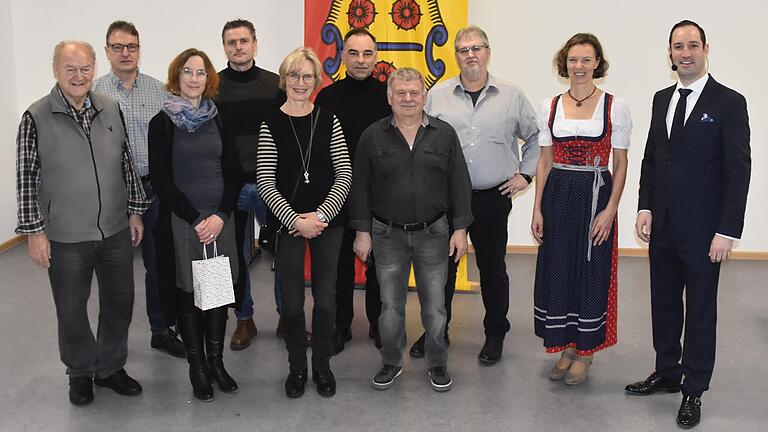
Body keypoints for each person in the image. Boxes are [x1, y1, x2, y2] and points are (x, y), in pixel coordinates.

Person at [625, 20, 750, 428]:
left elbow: (738, 170)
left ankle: (693, 389)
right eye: (678, 46)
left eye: (692, 45)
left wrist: (727, 231)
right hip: (663, 226)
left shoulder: (729, 102)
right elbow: (651, 158)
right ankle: (667, 371)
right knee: (663, 304)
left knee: (699, 312)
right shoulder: (662, 99)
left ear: (705, 49)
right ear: (670, 54)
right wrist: (644, 207)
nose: (685, 53)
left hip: (704, 233)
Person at [15, 40, 148, 406]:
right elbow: (26, 177)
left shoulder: (110, 108)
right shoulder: (36, 116)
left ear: (94, 68)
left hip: (115, 230)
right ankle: (79, 372)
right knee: (71, 308)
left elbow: (126, 164)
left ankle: (109, 368)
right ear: (55, 70)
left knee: (120, 301)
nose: (79, 76)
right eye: (70, 68)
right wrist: (34, 233)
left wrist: (134, 210)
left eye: (85, 68)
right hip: (65, 235)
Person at [422, 25, 539, 364]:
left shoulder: (511, 96)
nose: (470, 54)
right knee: (440, 270)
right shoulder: (437, 96)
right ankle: (436, 331)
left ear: (488, 52)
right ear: (455, 55)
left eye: (477, 47)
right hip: (446, 201)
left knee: (492, 269)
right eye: (463, 49)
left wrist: (525, 174)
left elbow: (535, 138)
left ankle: (495, 334)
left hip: (491, 197)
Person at [351, 67, 473, 392]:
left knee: (435, 307)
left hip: (434, 233)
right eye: (400, 93)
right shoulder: (372, 136)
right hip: (386, 235)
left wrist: (460, 229)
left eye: (414, 93)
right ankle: (391, 361)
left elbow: (459, 183)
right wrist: (362, 232)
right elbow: (359, 186)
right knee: (390, 308)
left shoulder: (444, 134)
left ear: (423, 96)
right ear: (389, 97)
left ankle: (437, 363)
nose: (408, 98)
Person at [530, 33, 630, 385]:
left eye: (587, 60)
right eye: (574, 59)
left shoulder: (614, 106)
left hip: (594, 197)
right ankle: (567, 347)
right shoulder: (549, 105)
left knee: (591, 271)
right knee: (559, 270)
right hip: (558, 194)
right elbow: (544, 162)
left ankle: (585, 351)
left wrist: (611, 210)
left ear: (597, 64)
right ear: (565, 63)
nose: (579, 66)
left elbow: (620, 164)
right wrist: (537, 209)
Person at [256, 47, 352, 398]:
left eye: (307, 76)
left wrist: (322, 215)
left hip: (329, 222)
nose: (300, 82)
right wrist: (295, 219)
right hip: (289, 223)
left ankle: (322, 366)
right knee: (293, 303)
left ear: (316, 81)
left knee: (327, 300)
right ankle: (297, 367)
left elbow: (344, 173)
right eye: (294, 76)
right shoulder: (271, 122)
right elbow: (265, 180)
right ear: (284, 80)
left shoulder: (329, 119)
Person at [148, 48, 242, 402]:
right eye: (187, 71)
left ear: (209, 79)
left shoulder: (219, 117)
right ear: (177, 76)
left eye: (200, 72)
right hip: (183, 221)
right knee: (189, 295)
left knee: (216, 292)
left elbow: (234, 170)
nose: (193, 78)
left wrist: (220, 215)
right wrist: (196, 218)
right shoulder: (162, 123)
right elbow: (161, 179)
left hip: (219, 219)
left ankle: (216, 363)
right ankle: (197, 367)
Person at [93, 20, 184, 359]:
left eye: (131, 46)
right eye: (118, 47)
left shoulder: (159, 91)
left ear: (139, 49)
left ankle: (161, 329)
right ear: (107, 52)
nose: (125, 52)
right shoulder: (94, 94)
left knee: (159, 264)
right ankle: (111, 346)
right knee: (114, 270)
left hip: (154, 191)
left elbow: (177, 139)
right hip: (112, 196)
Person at [315, 27, 391, 353]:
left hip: (379, 194)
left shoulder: (388, 95)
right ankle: (340, 323)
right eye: (354, 53)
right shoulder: (327, 97)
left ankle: (378, 322)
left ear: (376, 57)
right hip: (336, 194)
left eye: (367, 53)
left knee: (379, 262)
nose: (361, 60)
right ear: (342, 56)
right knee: (339, 265)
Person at [216, 19, 286, 350]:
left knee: (282, 253)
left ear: (255, 44)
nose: (238, 47)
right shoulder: (211, 87)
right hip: (229, 187)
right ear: (225, 47)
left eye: (244, 41)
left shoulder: (276, 86)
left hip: (269, 187)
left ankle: (287, 316)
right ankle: (244, 319)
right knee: (236, 258)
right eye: (232, 42)